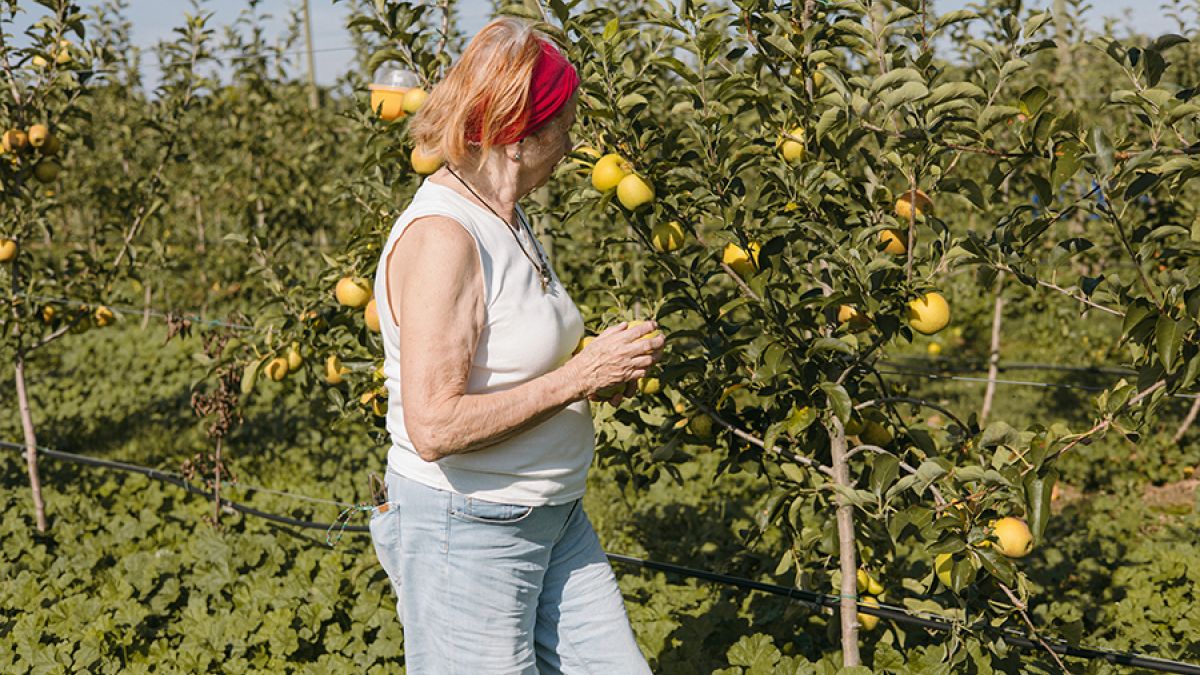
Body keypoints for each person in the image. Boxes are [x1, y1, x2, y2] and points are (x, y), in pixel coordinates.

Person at [367, 16, 663, 674]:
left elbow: (508, 364)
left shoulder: (507, 212)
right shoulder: (445, 238)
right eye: (565, 120)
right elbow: (435, 424)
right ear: (522, 134)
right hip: (468, 527)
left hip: (552, 518)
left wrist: (599, 374)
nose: (570, 140)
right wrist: (577, 378)